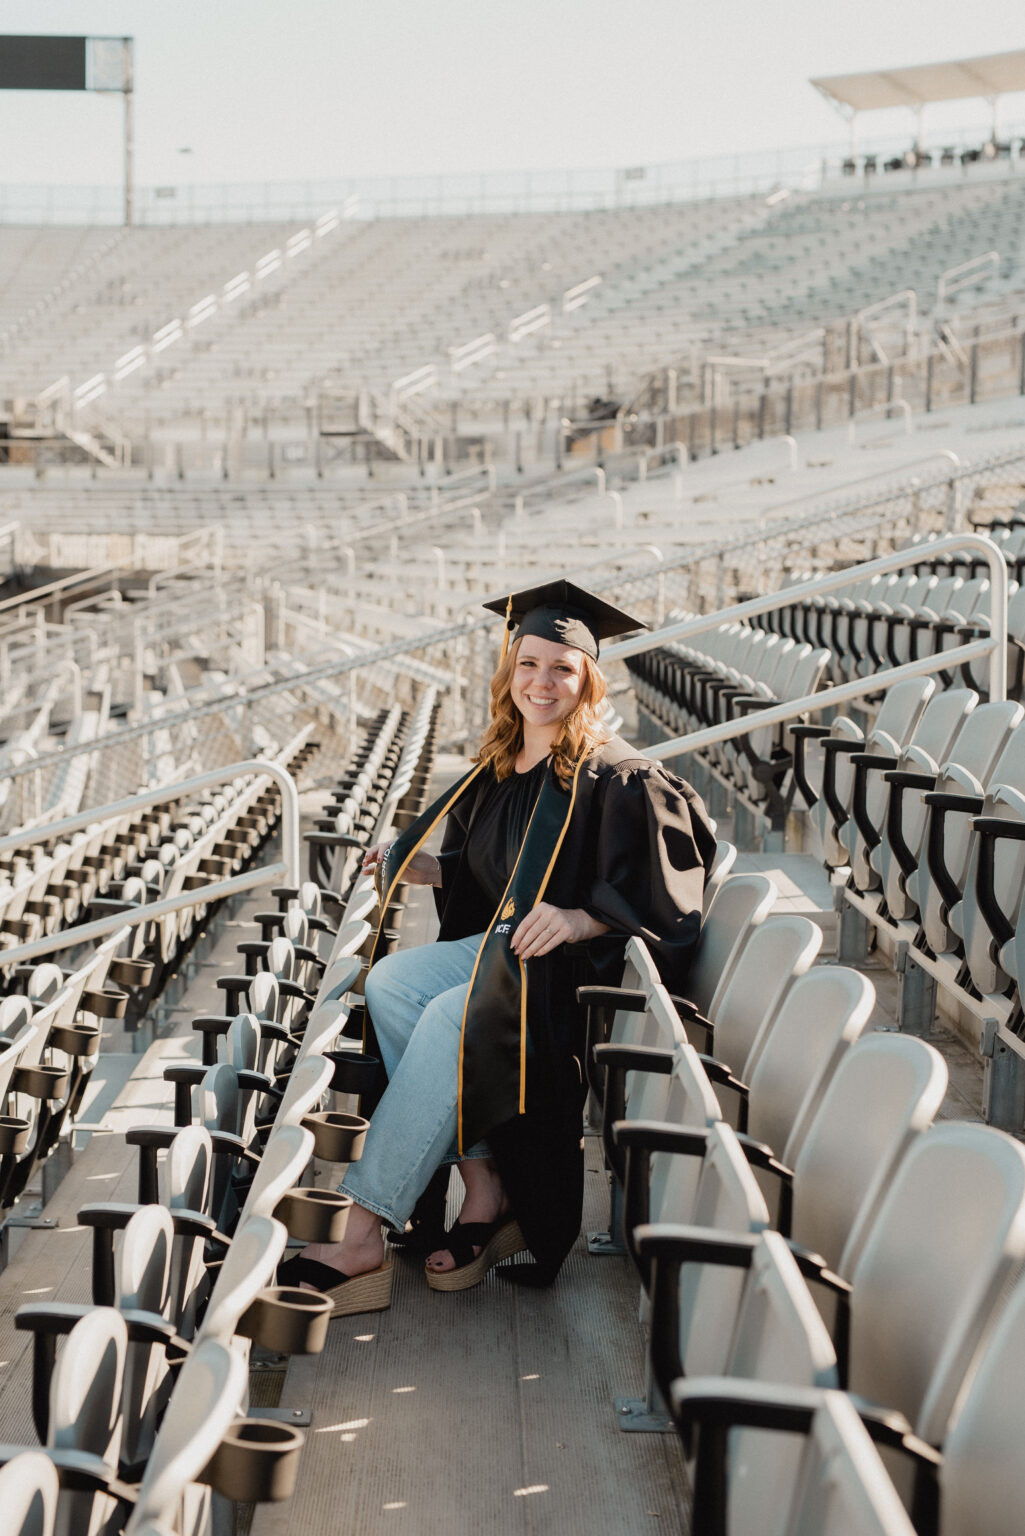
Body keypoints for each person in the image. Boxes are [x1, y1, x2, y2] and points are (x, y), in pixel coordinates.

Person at [279, 579, 717, 1315]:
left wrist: (584, 920)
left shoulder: (617, 775)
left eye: (561, 669)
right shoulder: (502, 766)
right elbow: (498, 883)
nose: (542, 683)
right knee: (391, 983)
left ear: (587, 681)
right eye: (528, 665)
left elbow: (671, 898)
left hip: (565, 983)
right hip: (508, 958)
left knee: (455, 1016)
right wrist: (431, 867)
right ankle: (484, 1184)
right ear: (507, 672)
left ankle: (361, 1228)